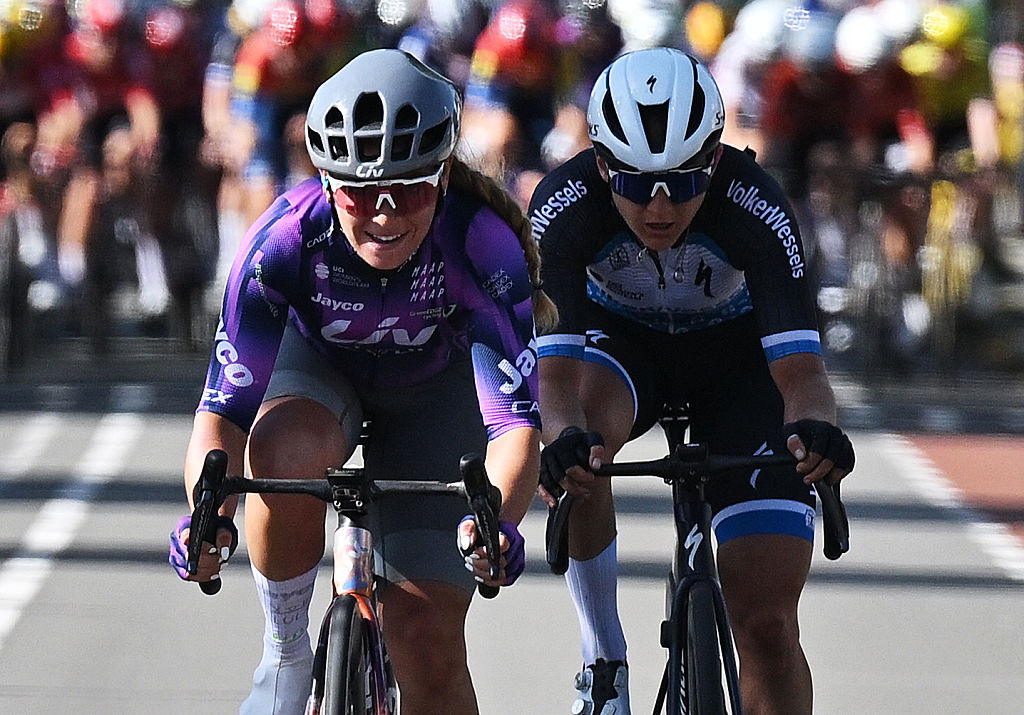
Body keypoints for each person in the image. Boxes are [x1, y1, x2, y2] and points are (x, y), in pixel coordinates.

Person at [168, 48, 556, 715]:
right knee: (282, 445)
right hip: (321, 377)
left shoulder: (481, 244)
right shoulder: (282, 241)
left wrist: (496, 523)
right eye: (360, 193)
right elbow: (224, 414)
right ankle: (285, 652)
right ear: (326, 183)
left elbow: (514, 427)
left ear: (442, 177)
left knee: (428, 644)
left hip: (438, 396)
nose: (384, 214)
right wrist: (208, 516)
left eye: (409, 190)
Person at [528, 47, 855, 715]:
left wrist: (818, 429)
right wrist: (560, 441)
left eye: (681, 181)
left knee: (767, 628)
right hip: (625, 350)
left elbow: (801, 372)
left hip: (740, 364)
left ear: (713, 160)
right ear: (601, 164)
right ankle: (603, 658)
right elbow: (554, 379)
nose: (658, 206)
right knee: (584, 440)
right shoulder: (562, 207)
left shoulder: (754, 202)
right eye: (635, 181)